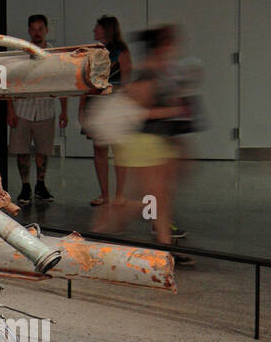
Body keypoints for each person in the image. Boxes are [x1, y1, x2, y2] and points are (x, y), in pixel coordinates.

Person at [94, 26, 189, 257]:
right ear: (160, 46)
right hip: (140, 144)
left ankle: (164, 250)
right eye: (169, 43)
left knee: (159, 199)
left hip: (152, 144)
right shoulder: (148, 73)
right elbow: (141, 112)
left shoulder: (160, 71)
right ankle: (103, 224)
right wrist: (172, 110)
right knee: (153, 200)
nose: (173, 48)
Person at [7, 14, 67, 204]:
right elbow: (9, 83)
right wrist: (10, 110)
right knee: (22, 150)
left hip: (45, 109)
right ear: (28, 31)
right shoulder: (20, 55)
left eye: (40, 29)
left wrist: (64, 110)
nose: (37, 33)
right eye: (33, 29)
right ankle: (25, 185)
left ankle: (41, 184)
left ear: (47, 30)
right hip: (23, 109)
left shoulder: (55, 55)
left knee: (43, 150)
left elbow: (62, 84)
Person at [80, 15, 132, 207]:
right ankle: (104, 194)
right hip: (95, 102)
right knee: (99, 149)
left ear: (106, 29)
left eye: (98, 26)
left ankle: (120, 194)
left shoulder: (121, 52)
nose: (94, 29)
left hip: (114, 103)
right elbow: (85, 80)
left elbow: (127, 82)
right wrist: (82, 107)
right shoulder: (92, 51)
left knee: (119, 149)